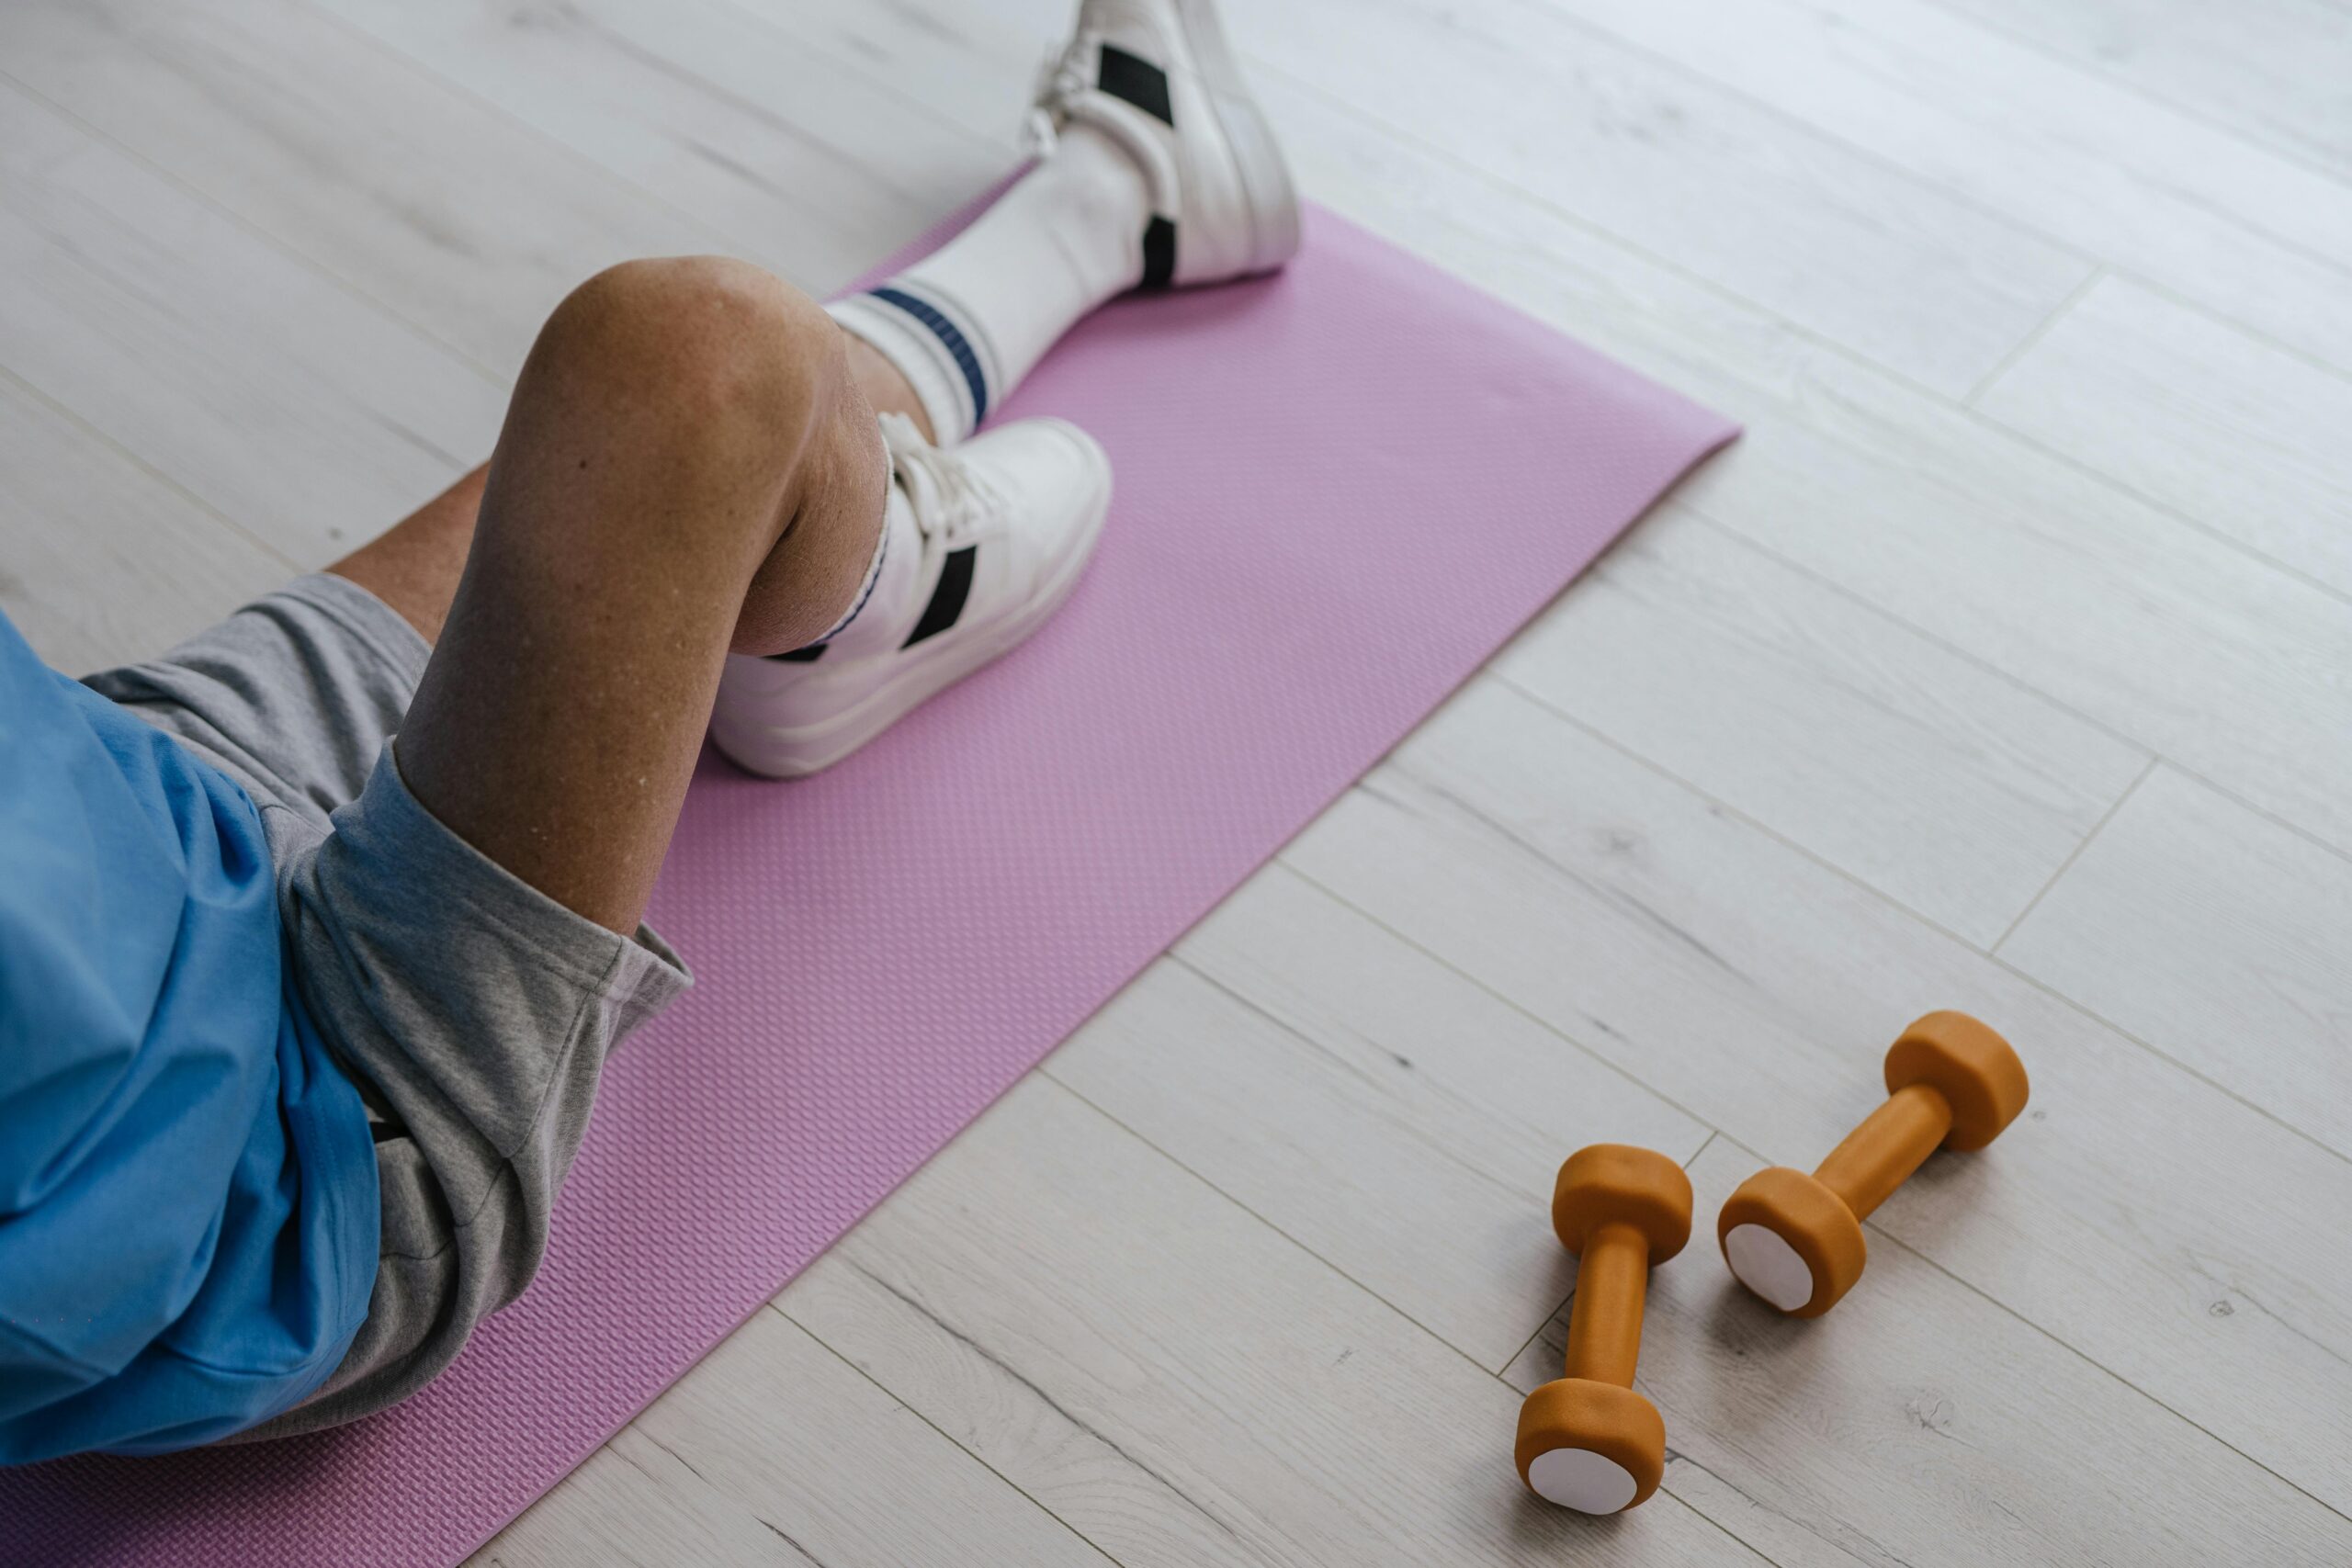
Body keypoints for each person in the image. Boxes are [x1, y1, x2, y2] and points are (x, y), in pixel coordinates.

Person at [0, 0, 1296, 1461]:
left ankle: (1118, 209)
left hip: (118, 813)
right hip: (297, 1153)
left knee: (646, 436)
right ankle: (878, 580)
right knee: (700, 360)